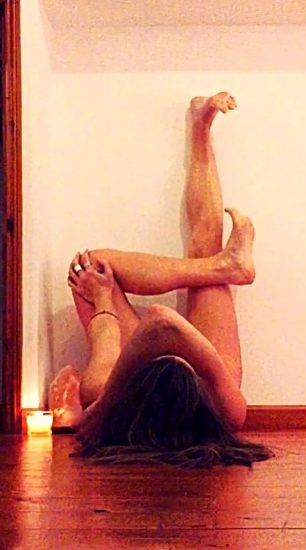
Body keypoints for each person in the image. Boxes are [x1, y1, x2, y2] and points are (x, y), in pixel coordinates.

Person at [49, 92, 274, 468]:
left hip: (125, 378)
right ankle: (201, 134)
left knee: (91, 266)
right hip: (202, 367)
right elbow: (162, 324)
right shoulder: (227, 411)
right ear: (199, 394)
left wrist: (88, 411)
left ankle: (224, 266)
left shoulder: (107, 395)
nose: (176, 357)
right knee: (204, 246)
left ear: (134, 392)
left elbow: (133, 330)